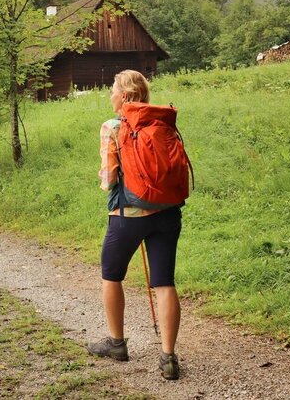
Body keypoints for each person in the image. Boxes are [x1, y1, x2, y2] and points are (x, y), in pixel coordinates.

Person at [87, 69, 183, 380]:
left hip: (128, 216)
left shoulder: (112, 127)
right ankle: (168, 357)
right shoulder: (163, 124)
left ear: (126, 96)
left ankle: (117, 344)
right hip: (168, 213)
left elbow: (109, 179)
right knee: (164, 282)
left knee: (111, 275)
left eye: (113, 90)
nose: (110, 95)